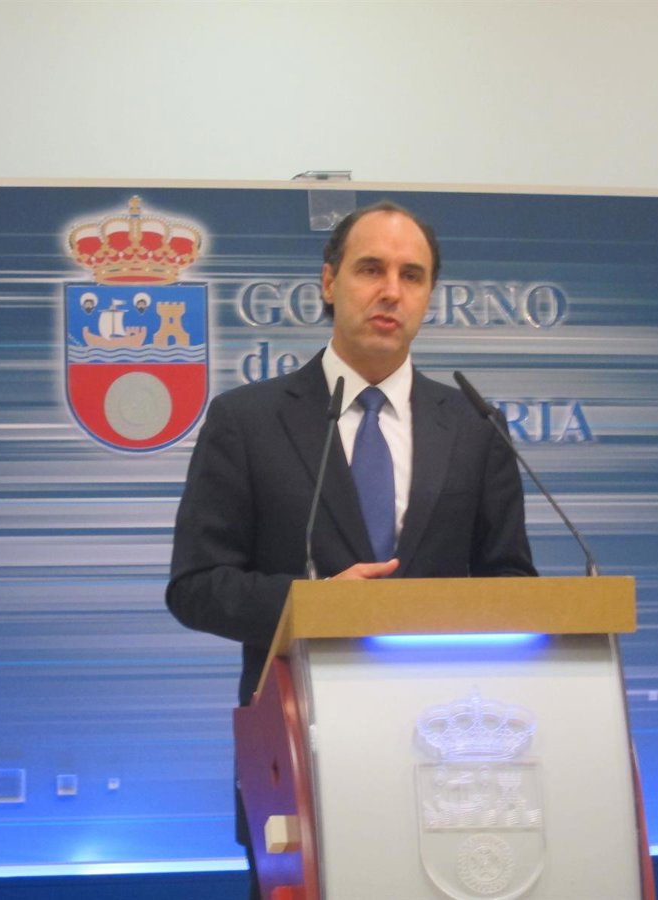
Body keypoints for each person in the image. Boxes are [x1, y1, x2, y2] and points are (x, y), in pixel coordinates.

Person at [166, 200, 537, 898]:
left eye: (411, 275)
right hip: (299, 755)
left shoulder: (474, 426)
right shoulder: (247, 421)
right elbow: (196, 584)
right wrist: (310, 607)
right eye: (371, 269)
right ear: (329, 282)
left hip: (448, 764)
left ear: (429, 295)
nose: (391, 290)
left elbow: (512, 581)